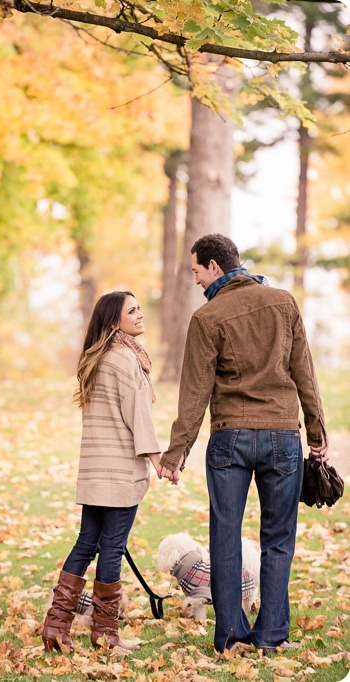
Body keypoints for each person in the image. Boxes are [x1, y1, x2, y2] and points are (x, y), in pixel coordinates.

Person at [158, 233, 328, 655]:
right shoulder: (284, 303)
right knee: (278, 539)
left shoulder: (208, 318)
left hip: (230, 438)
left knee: (226, 537)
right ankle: (271, 636)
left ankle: (231, 636)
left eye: (196, 269)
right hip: (282, 436)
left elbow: (194, 393)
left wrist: (175, 454)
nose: (195, 278)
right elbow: (304, 372)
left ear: (215, 266)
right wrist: (317, 435)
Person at [42, 291, 161, 653]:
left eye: (139, 308)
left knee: (86, 543)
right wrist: (158, 461)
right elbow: (137, 416)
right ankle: (106, 633)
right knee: (111, 548)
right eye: (132, 311)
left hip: (95, 470)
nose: (140, 315)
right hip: (120, 471)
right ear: (114, 321)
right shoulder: (125, 359)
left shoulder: (96, 359)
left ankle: (56, 627)